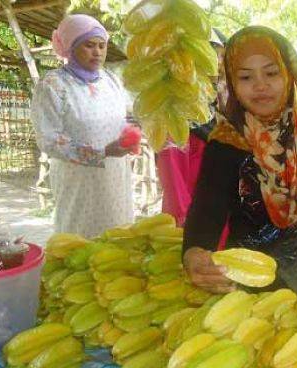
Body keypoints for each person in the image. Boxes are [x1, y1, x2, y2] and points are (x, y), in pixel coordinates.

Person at [182, 26, 297, 294]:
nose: (260, 86)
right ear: (232, 82)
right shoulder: (227, 142)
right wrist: (193, 254)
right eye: (245, 77)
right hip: (250, 282)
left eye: (271, 72)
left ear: (289, 73)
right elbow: (207, 212)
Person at [31, 14, 134, 238]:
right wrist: (101, 152)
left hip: (116, 176)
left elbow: (125, 118)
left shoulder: (111, 81)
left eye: (102, 45)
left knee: (118, 238)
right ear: (70, 47)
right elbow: (48, 138)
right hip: (77, 180)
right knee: (80, 240)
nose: (97, 52)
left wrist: (133, 133)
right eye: (89, 45)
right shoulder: (53, 85)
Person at [156, 28, 228, 227]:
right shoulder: (177, 112)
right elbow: (172, 174)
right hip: (194, 220)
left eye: (223, 57)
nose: (219, 65)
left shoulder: (223, 108)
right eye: (212, 56)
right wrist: (185, 220)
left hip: (225, 215)